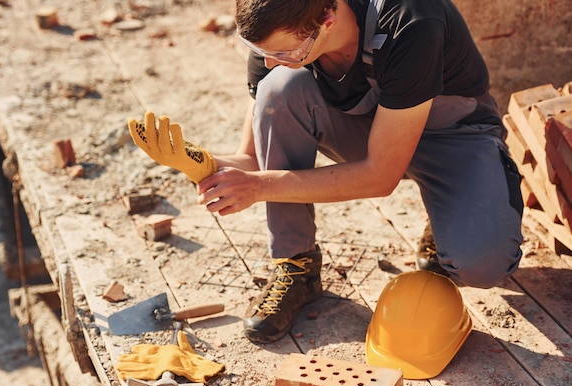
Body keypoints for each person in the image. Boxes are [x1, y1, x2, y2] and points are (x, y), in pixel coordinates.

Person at [129, 0, 524, 344]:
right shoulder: (276, 29)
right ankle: (296, 265)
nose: (267, 61)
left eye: (284, 52)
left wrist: (257, 187)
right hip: (368, 128)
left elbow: (379, 176)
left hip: (451, 133)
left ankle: (449, 209)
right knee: (278, 91)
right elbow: (252, 161)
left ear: (328, 19)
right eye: (258, 51)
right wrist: (195, 163)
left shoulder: (409, 21)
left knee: (483, 264)